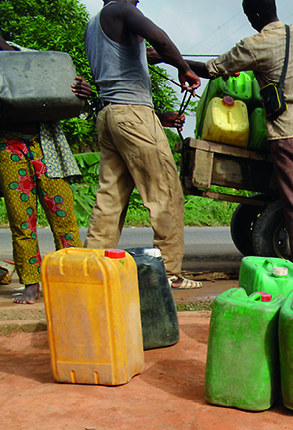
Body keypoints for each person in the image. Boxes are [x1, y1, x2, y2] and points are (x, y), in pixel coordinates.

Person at [183, 0, 293, 287]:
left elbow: (213, 69)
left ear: (254, 15)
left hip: (286, 135)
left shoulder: (254, 45)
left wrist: (173, 58)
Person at [83, 0, 202, 289]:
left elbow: (148, 54)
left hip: (110, 114)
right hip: (133, 114)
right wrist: (184, 69)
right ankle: (170, 273)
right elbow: (159, 38)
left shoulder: (94, 26)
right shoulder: (121, 9)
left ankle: (92, 270)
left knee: (110, 199)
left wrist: (196, 66)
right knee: (165, 193)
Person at [0, 35, 91, 304]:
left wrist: (81, 93)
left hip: (47, 144)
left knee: (62, 215)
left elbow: (68, 95)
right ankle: (31, 283)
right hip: (7, 146)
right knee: (21, 220)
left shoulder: (33, 58)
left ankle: (73, 278)